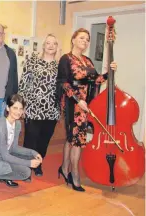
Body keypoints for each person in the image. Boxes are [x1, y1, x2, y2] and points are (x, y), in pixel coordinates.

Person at [57, 28, 117, 192]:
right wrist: (78, 100)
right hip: (73, 104)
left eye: (87, 39)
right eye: (81, 38)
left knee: (72, 138)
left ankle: (64, 168)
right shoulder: (66, 58)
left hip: (85, 105)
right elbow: (63, 82)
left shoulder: (88, 61)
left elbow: (95, 80)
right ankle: (74, 174)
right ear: (73, 39)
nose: (85, 41)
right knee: (77, 139)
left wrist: (108, 73)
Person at [18, 34, 61, 177]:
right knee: (31, 138)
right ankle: (26, 166)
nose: (50, 46)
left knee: (44, 140)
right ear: (43, 45)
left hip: (52, 111)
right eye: (48, 43)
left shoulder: (59, 66)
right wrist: (21, 105)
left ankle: (38, 163)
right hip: (33, 109)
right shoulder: (32, 62)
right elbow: (23, 84)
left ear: (56, 47)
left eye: (54, 44)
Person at [0, 94, 42, 187]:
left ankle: (4, 174)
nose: (18, 112)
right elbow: (5, 156)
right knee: (25, 172)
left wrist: (33, 152)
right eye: (15, 108)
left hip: (4, 155)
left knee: (31, 157)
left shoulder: (17, 124)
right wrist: (28, 163)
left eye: (21, 109)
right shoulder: (1, 125)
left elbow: (14, 148)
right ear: (8, 108)